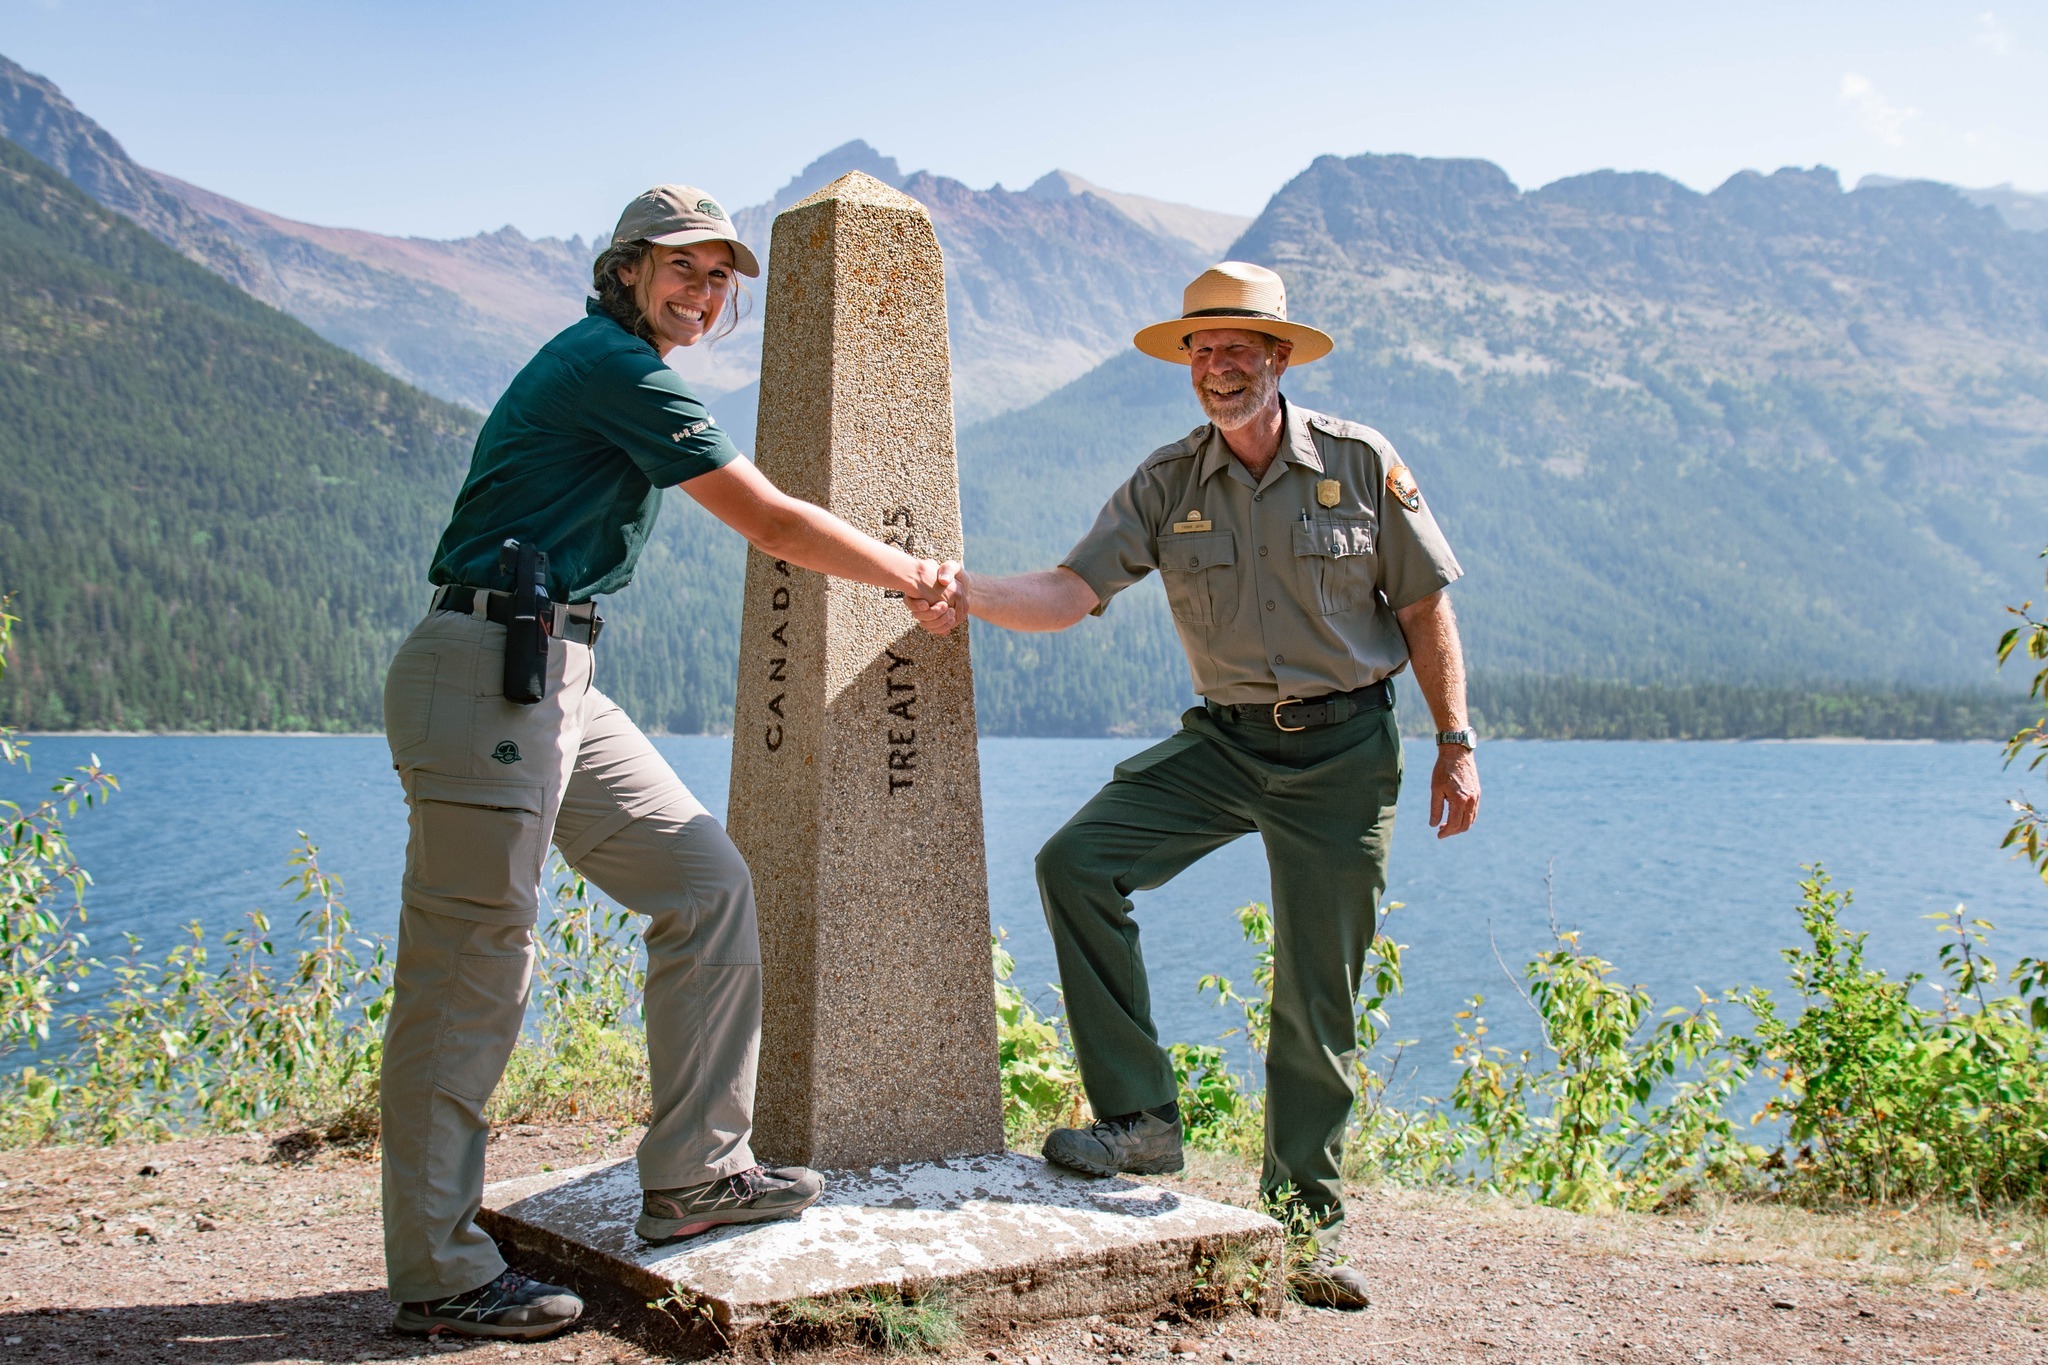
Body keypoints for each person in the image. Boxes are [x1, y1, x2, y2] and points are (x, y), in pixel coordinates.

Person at [378, 184, 961, 1342]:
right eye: (682, 269)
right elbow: (770, 521)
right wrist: (909, 574)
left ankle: (694, 1176)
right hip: (488, 666)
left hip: (555, 672)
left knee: (704, 885)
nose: (702, 293)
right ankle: (438, 1273)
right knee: (471, 968)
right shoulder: (611, 364)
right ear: (626, 270)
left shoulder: (629, 366)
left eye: (717, 278)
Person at [926, 261, 1478, 1311]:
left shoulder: (1360, 464)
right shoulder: (1167, 480)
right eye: (1200, 349)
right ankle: (1140, 1126)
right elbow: (1070, 588)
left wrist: (1455, 740)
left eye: (1236, 349)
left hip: (1342, 753)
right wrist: (966, 593)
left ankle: (1304, 1229)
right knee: (1077, 863)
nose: (1216, 367)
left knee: (1313, 999)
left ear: (1278, 358)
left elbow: (1421, 608)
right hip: (1222, 745)